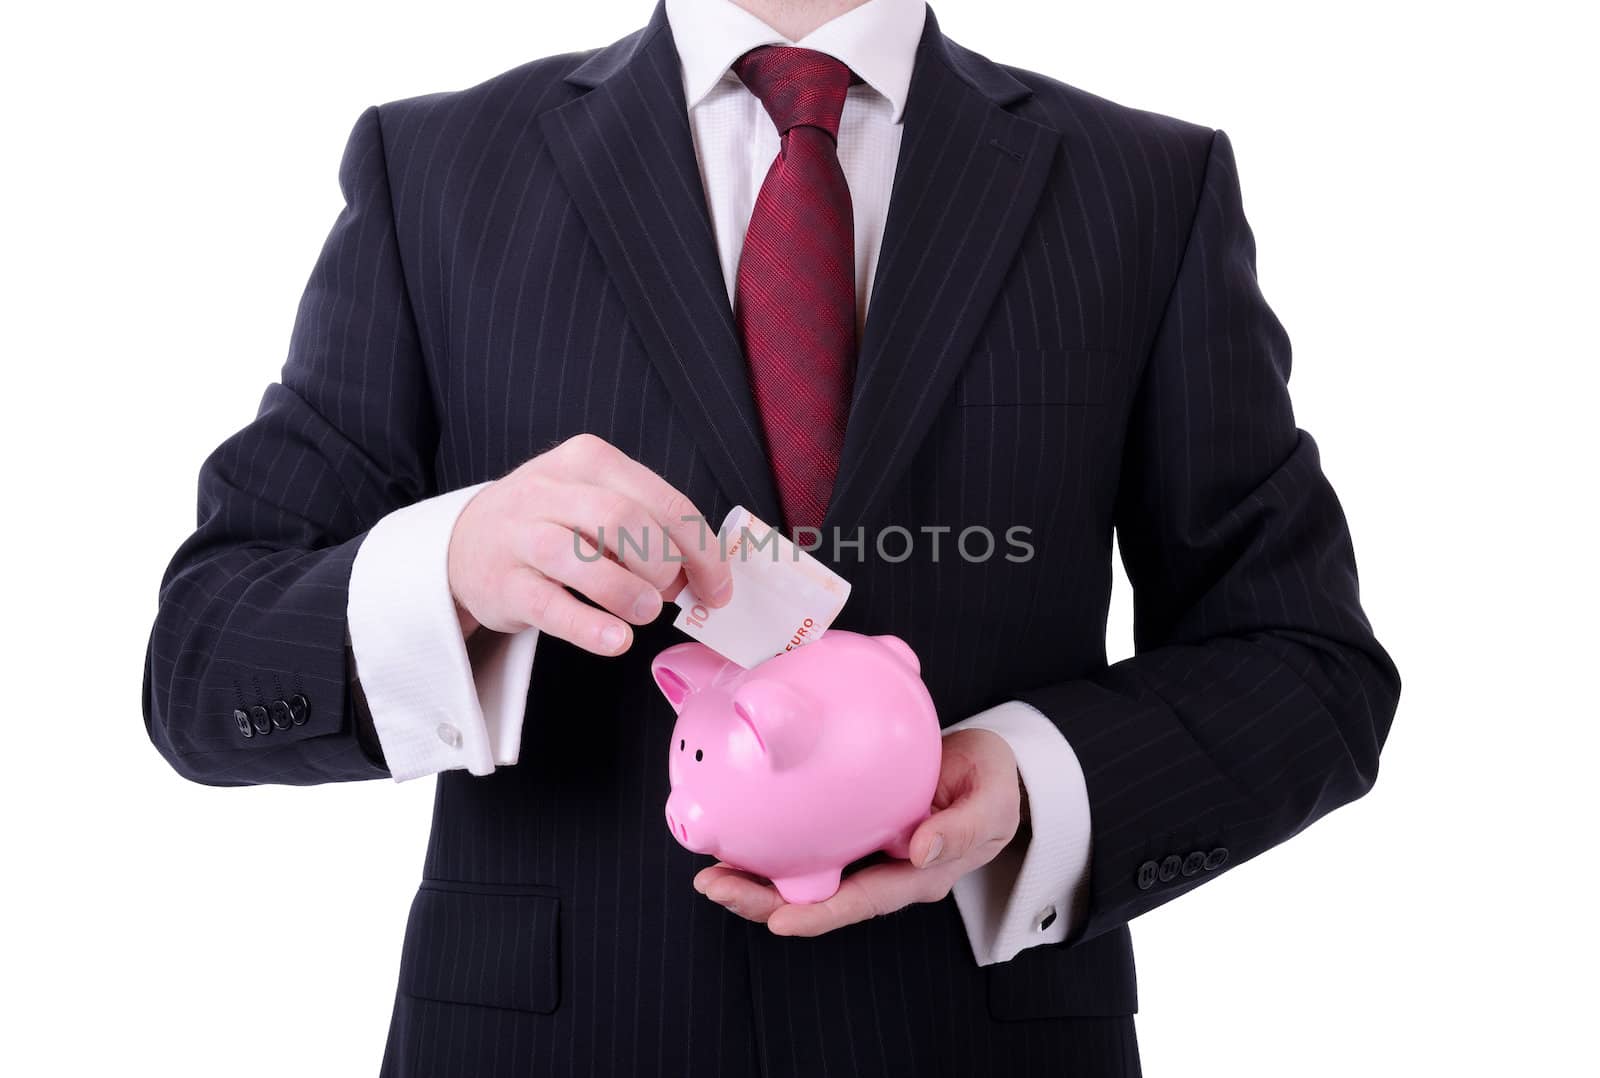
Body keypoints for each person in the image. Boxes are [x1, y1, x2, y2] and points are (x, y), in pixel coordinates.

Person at [142, 0, 1400, 1073]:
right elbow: (204, 662)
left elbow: (1304, 663)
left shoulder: (1142, 187)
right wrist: (453, 564)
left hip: (978, 1038)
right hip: (544, 1038)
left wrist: (1024, 786)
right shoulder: (436, 170)